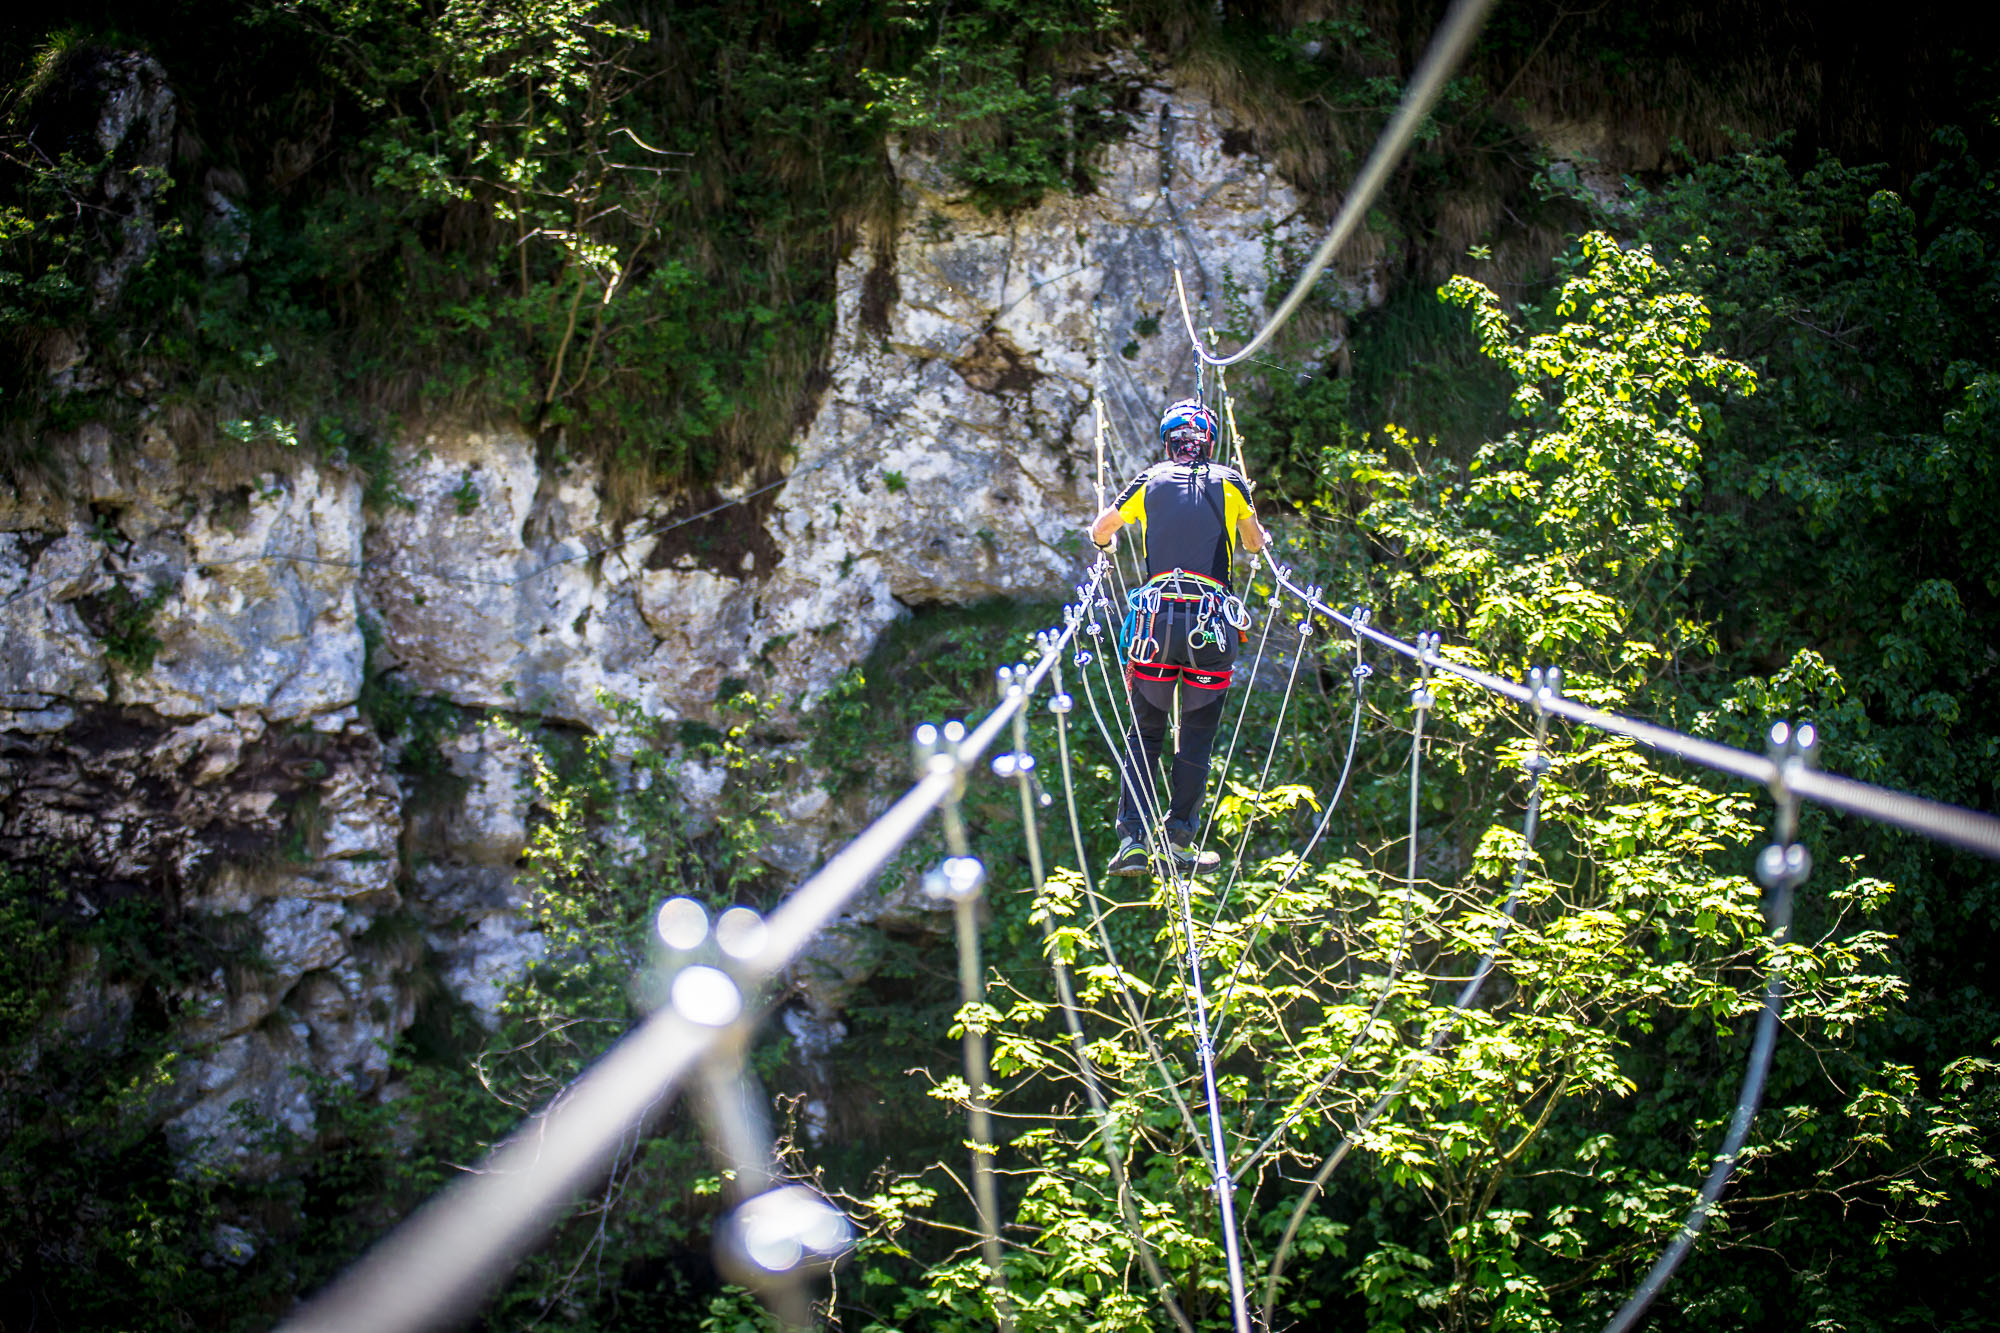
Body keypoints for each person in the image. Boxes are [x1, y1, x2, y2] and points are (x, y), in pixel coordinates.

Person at [1088, 397, 1269, 876]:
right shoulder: (1230, 481)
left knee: (1145, 733)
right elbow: (1254, 542)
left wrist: (1106, 545)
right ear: (1209, 443)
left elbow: (1101, 529)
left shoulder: (1148, 480)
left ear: (1168, 443)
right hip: (1211, 627)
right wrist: (1252, 537)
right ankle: (1178, 842)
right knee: (1196, 738)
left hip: (1156, 626)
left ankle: (1132, 839)